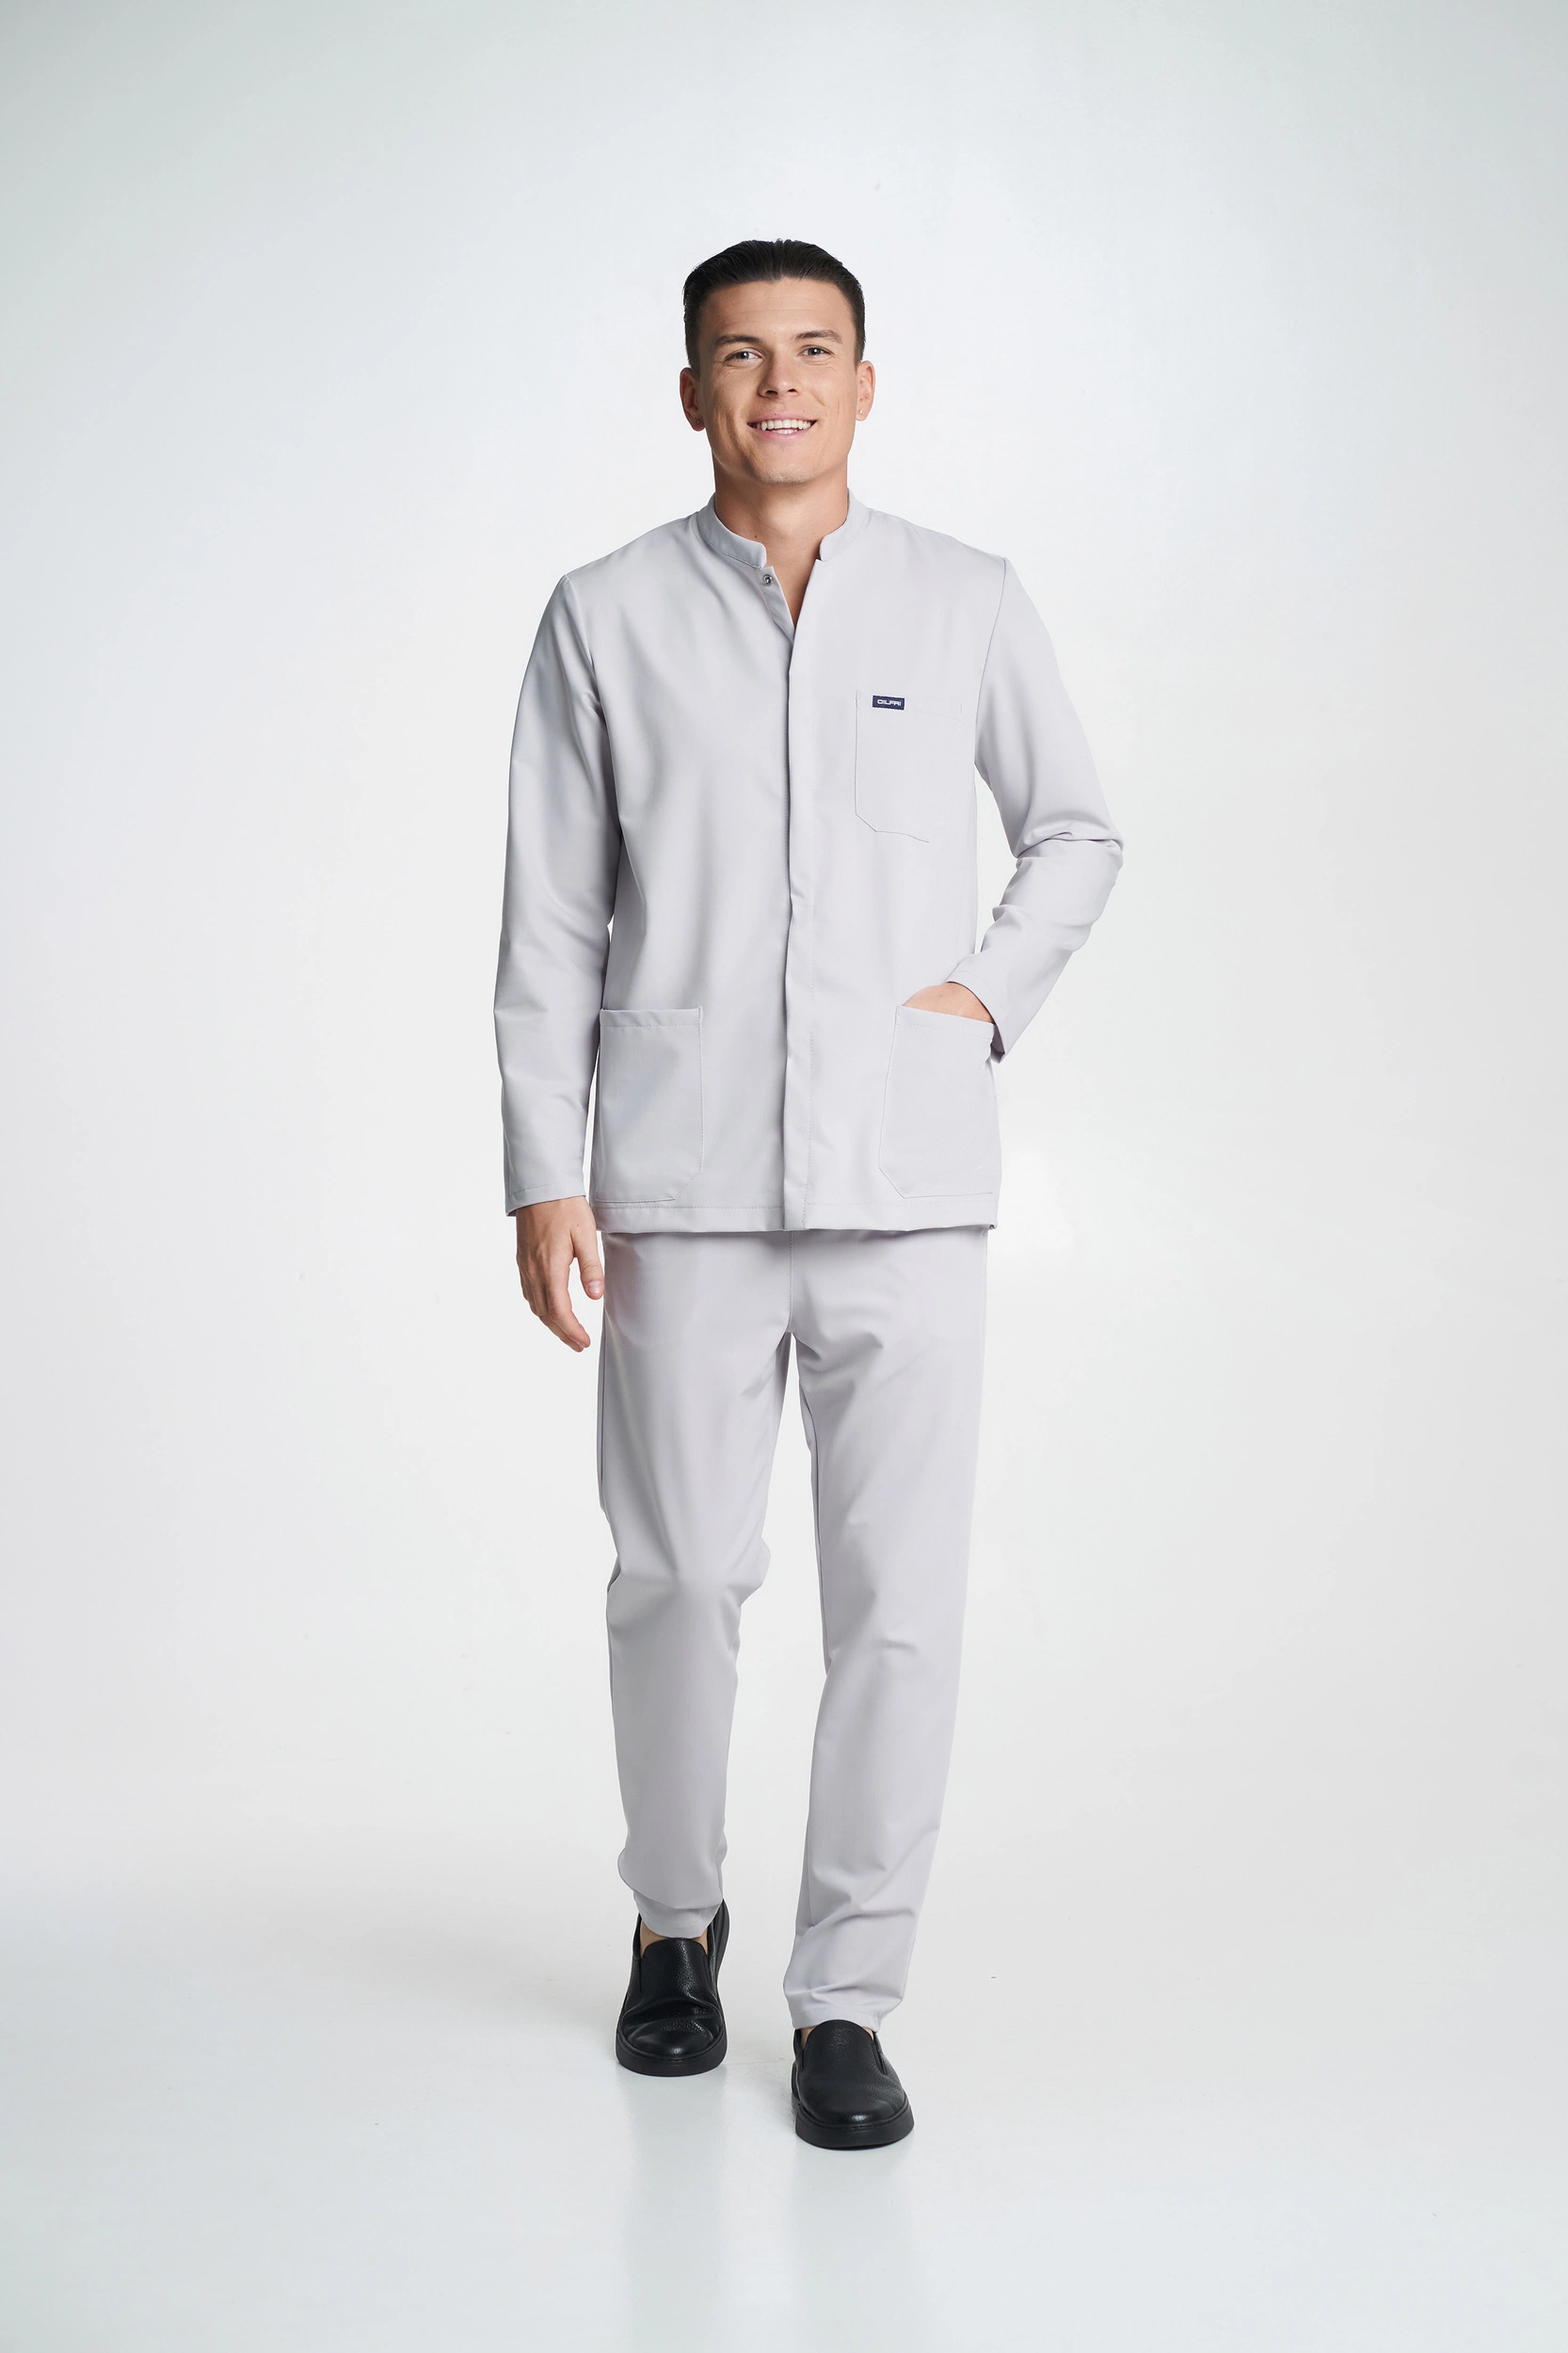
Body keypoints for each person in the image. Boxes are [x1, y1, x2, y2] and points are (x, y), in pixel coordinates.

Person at [494, 238, 1122, 2150]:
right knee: (677, 1577)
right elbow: (552, 910)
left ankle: (847, 1993)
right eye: (741, 354)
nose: (778, 381)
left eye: (813, 349)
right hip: (676, 1178)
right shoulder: (603, 615)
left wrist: (979, 996)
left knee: (897, 1609)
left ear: (863, 382)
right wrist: (541, 1166)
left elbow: (1076, 829)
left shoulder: (963, 599)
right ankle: (671, 1920)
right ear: (690, 390)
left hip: (907, 1184)